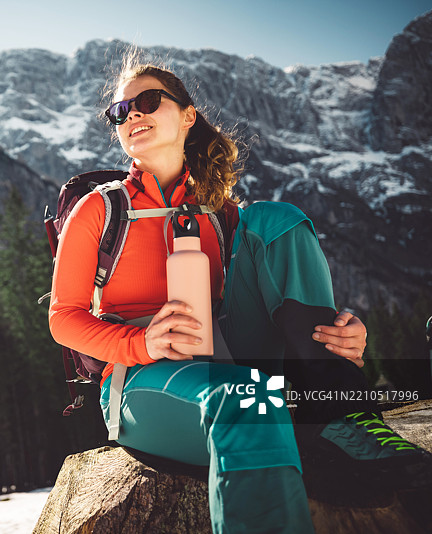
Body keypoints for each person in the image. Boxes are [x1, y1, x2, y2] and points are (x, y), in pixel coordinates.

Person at [48, 54, 432, 534]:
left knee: (276, 218)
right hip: (141, 382)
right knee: (247, 401)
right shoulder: (100, 211)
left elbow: (265, 291)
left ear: (188, 116)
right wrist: (140, 344)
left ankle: (334, 399)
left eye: (147, 101)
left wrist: (335, 336)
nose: (133, 115)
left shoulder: (218, 212)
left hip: (224, 354)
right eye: (120, 112)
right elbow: (62, 317)